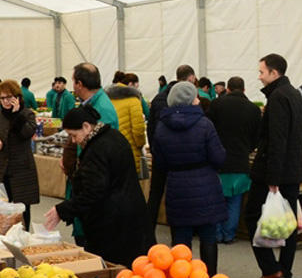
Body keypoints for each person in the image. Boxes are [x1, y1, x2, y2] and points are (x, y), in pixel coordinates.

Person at [44, 107, 151, 266]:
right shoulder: (113, 136)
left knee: (114, 270)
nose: (74, 141)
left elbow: (93, 191)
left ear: (87, 126)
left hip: (113, 224)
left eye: (74, 135)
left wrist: (63, 209)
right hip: (130, 215)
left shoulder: (97, 149)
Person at [151, 82, 226, 272]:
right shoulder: (204, 124)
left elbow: (159, 162)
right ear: (191, 99)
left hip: (177, 187)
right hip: (205, 187)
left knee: (180, 243)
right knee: (208, 238)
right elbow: (218, 158)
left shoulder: (161, 127)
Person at [246, 53, 302, 278]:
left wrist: (272, 178)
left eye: (262, 72)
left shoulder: (279, 97)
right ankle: (285, 272)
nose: (259, 77)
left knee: (252, 216)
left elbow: (277, 139)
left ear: (274, 73)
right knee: (288, 222)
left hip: (275, 172)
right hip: (291, 170)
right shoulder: (295, 95)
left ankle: (271, 270)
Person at [0, 80, 41, 230]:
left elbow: (27, 133)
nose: (6, 101)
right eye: (2, 98)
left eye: (10, 97)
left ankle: (23, 234)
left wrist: (16, 115)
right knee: (0, 208)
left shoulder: (28, 114)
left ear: (18, 97)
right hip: (0, 169)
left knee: (23, 208)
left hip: (22, 169)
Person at [209, 76, 261, 244]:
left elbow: (208, 130)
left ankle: (216, 234)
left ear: (228, 89)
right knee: (235, 201)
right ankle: (229, 235)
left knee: (217, 200)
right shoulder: (253, 109)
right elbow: (257, 137)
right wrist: (248, 148)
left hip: (217, 161)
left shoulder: (216, 105)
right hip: (240, 162)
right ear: (244, 90)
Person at [147, 64, 196, 226]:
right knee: (180, 194)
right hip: (179, 157)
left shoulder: (158, 98)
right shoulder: (187, 100)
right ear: (190, 78)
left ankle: (149, 229)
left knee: (156, 193)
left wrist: (154, 149)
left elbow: (150, 127)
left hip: (159, 154)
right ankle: (180, 229)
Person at [106, 76, 147, 175]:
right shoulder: (134, 101)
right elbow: (138, 130)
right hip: (129, 151)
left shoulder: (107, 100)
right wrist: (141, 144)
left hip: (109, 149)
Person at [72, 63, 118, 129]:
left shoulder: (103, 109)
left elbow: (106, 138)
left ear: (79, 84)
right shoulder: (90, 103)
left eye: (73, 81)